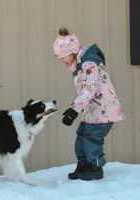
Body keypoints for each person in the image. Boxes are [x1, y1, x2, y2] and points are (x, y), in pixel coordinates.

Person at [53, 27, 125, 181]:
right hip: (93, 110)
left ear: (71, 52)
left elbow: (89, 90)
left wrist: (73, 110)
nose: (60, 60)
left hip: (103, 110)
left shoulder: (89, 63)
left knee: (92, 139)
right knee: (81, 137)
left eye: (62, 56)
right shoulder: (80, 63)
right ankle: (84, 165)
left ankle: (95, 168)